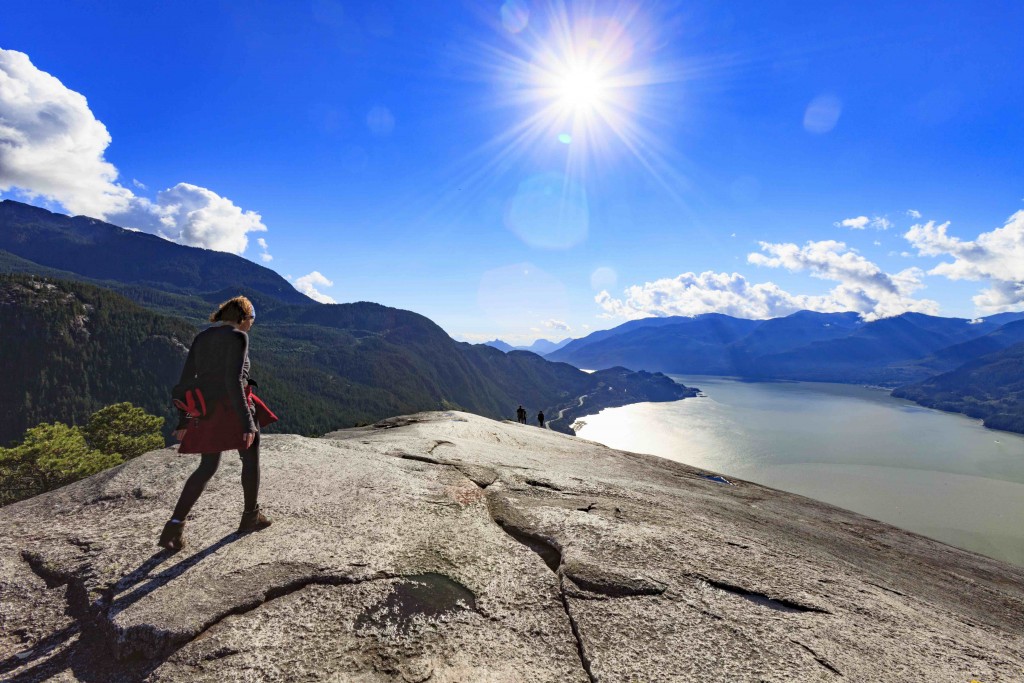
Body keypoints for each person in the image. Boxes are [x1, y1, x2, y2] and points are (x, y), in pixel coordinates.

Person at [158, 296, 273, 552]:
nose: (251, 325)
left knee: (207, 466)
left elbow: (185, 381)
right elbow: (233, 381)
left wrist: (185, 418)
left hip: (207, 410)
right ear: (246, 317)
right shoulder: (239, 337)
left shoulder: (202, 338)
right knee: (250, 460)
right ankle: (250, 518)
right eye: (251, 320)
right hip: (234, 407)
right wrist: (247, 424)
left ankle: (175, 526)